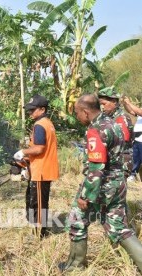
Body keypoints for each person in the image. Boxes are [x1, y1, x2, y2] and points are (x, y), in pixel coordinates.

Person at [59, 94, 142, 272]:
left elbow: (96, 168)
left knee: (77, 220)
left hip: (102, 184)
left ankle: (75, 266)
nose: (76, 116)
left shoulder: (96, 130)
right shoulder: (115, 124)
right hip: (118, 182)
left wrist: (86, 196)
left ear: (86, 112)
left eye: (77, 112)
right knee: (119, 228)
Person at [13, 94, 59, 238]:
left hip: (41, 170)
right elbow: (39, 149)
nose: (30, 113)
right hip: (41, 168)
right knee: (37, 201)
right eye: (29, 110)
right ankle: (37, 230)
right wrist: (25, 159)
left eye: (33, 110)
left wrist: (22, 152)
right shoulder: (48, 123)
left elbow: (39, 148)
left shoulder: (40, 125)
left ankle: (40, 234)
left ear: (42, 109)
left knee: (38, 204)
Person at [98, 87, 133, 179]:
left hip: (119, 164)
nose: (102, 107)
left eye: (104, 104)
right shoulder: (108, 117)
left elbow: (122, 142)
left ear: (114, 102)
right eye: (100, 104)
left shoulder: (121, 118)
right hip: (111, 162)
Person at [122, 96, 142, 182]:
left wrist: (129, 103)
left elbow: (140, 112)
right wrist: (125, 103)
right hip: (138, 139)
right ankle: (132, 174)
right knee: (135, 158)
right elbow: (131, 111)